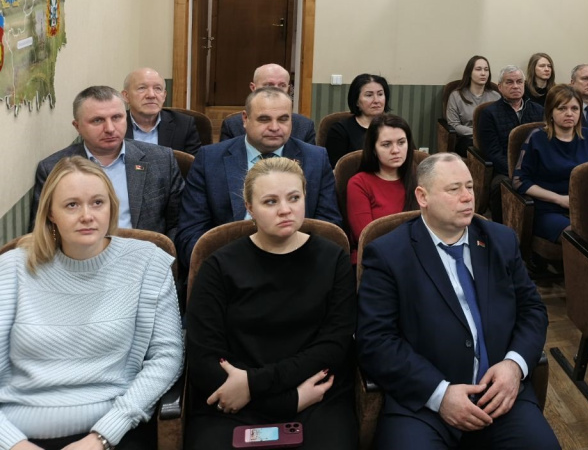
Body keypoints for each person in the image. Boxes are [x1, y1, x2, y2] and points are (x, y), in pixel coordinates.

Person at [357, 154, 559, 449]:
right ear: (422, 197)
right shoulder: (389, 254)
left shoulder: (500, 240)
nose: (467, 197)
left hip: (498, 395)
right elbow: (375, 340)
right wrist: (440, 394)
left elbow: (532, 310)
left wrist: (514, 366)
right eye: (454, 189)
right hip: (423, 404)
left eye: (470, 187)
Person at [0, 156, 183, 450]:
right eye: (72, 205)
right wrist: (13, 443)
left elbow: (167, 357)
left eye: (97, 203)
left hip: (113, 428)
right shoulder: (11, 268)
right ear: (50, 213)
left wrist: (103, 436)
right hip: (17, 431)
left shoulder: (147, 262)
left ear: (111, 206)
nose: (87, 215)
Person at [185, 157, 356, 447]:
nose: (285, 210)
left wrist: (255, 384)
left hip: (314, 394)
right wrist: (284, 401)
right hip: (233, 402)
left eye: (294, 198)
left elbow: (333, 346)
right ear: (249, 208)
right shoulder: (218, 265)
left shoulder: (334, 258)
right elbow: (204, 357)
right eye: (270, 202)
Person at [177, 87, 342, 269]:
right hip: (227, 268)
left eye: (283, 119)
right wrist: (222, 267)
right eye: (264, 119)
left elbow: (328, 227)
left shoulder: (316, 159)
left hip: (298, 266)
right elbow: (191, 232)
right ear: (245, 119)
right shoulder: (209, 159)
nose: (274, 127)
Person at [31, 85, 185, 241]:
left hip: (145, 252)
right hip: (80, 252)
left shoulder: (161, 159)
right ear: (77, 127)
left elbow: (178, 223)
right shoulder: (53, 168)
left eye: (117, 117)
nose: (110, 128)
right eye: (97, 120)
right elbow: (42, 230)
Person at [513, 85, 588, 243]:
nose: (569, 113)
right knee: (580, 236)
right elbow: (519, 181)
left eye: (574, 108)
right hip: (549, 209)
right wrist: (559, 199)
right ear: (550, 112)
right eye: (562, 108)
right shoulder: (537, 138)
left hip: (586, 208)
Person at [477, 66, 545, 222]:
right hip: (504, 169)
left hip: (535, 166)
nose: (515, 86)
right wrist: (516, 171)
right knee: (499, 186)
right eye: (509, 82)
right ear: (500, 87)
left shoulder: (538, 110)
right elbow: (492, 152)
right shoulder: (489, 113)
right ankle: (500, 229)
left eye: (519, 82)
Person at [346, 115, 418, 262]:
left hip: (418, 257)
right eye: (386, 145)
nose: (396, 150)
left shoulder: (420, 177)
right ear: (373, 149)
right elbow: (366, 237)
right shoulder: (359, 183)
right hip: (376, 259)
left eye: (401, 142)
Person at [219, 64, 316, 144]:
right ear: (253, 88)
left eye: (282, 85)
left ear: (288, 89)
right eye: (269, 85)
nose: (276, 90)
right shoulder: (232, 125)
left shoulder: (305, 126)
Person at [122, 67, 201, 154]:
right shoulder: (114, 125)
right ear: (126, 96)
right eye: (142, 88)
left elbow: (193, 162)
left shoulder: (184, 125)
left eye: (157, 88)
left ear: (164, 96)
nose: (151, 95)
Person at [326, 74, 390, 168]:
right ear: (356, 101)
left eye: (380, 94)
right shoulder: (340, 130)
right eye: (369, 95)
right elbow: (337, 170)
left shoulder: (396, 127)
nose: (376, 100)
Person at [446, 56, 500, 156]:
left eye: (486, 69)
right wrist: (477, 133)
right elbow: (454, 125)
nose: (483, 73)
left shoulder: (496, 96)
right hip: (467, 139)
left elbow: (500, 122)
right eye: (478, 69)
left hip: (491, 138)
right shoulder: (456, 95)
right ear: (469, 73)